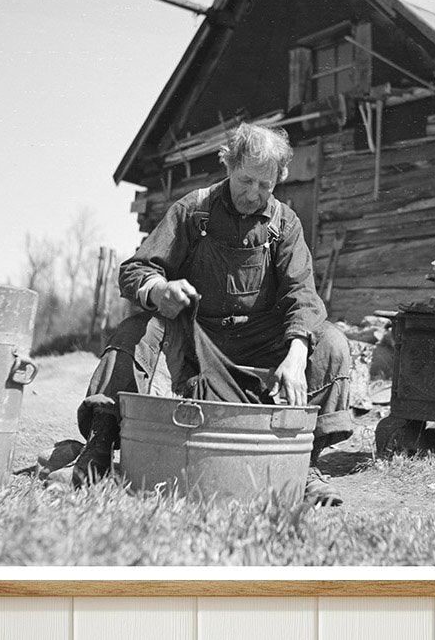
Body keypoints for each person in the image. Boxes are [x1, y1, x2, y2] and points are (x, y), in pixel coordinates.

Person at [74, 122, 353, 504]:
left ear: (279, 180)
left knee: (331, 343)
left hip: (260, 348)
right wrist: (158, 289)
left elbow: (302, 294)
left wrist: (297, 351)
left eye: (265, 185)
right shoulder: (193, 211)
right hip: (194, 344)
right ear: (229, 166)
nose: (254, 194)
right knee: (135, 331)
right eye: (246, 180)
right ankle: (99, 448)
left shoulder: (285, 224)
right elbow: (135, 270)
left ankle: (303, 466)